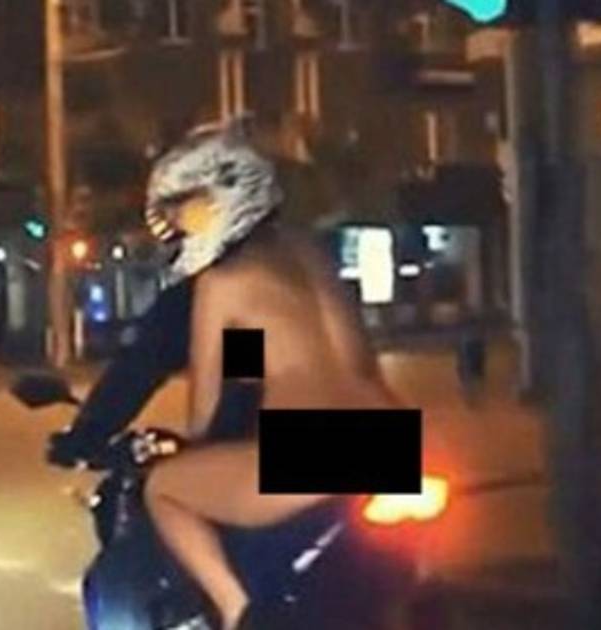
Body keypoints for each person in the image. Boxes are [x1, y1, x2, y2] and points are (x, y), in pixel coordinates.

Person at [135, 118, 407, 629]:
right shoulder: (313, 260)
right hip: (389, 438)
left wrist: (191, 444)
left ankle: (240, 613)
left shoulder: (223, 281)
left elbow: (204, 413)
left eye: (191, 211)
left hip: (311, 453)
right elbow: (266, 359)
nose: (185, 228)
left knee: (164, 489)